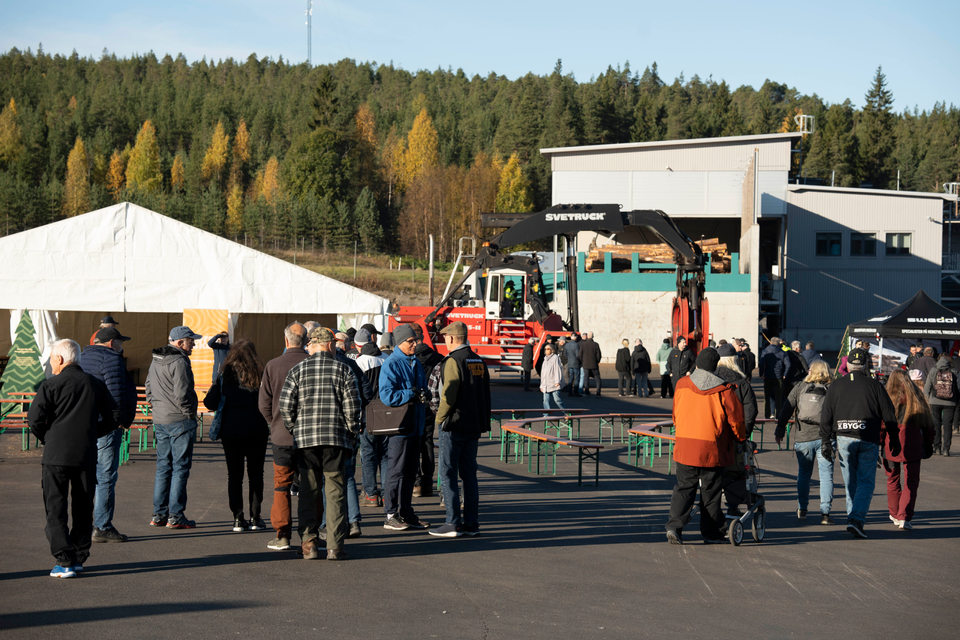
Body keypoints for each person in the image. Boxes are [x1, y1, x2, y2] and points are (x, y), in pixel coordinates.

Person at [30, 339, 120, 578]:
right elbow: (113, 416)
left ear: (59, 359)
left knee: (55, 508)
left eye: (51, 359)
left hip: (56, 455)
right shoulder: (95, 384)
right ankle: (79, 557)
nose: (51, 364)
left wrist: (48, 437)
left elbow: (34, 420)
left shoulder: (50, 384)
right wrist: (92, 432)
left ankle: (64, 559)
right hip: (86, 454)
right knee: (83, 507)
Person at [280, 327, 361, 561]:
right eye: (334, 344)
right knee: (335, 491)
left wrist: (296, 429)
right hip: (336, 441)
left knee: (308, 491)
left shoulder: (297, 370)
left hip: (306, 441)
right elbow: (353, 408)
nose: (336, 347)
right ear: (328, 345)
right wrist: (351, 434)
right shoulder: (343, 369)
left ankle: (309, 544)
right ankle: (335, 546)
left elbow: (286, 406)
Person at [665, 348, 746, 545]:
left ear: (697, 364)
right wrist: (740, 439)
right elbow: (736, 421)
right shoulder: (725, 389)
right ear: (715, 367)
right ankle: (711, 533)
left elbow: (675, 415)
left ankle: (674, 526)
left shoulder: (682, 384)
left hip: (685, 444)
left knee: (684, 488)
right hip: (712, 448)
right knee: (710, 492)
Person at [819, 348, 897, 538]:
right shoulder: (874, 385)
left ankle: (853, 518)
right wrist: (893, 438)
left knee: (850, 483)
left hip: (844, 438)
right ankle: (856, 519)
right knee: (866, 483)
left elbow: (826, 415)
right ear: (864, 366)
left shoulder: (836, 385)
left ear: (848, 365)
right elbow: (889, 415)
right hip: (868, 438)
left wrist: (825, 441)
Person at [429, 322, 491, 537]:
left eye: (445, 338)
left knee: (447, 473)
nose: (444, 341)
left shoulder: (453, 360)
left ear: (452, 338)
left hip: (454, 424)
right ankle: (472, 524)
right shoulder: (479, 361)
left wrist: (440, 418)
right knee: (469, 475)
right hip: (474, 424)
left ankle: (452, 523)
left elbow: (449, 393)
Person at [204, 339, 269, 533]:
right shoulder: (261, 373)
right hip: (257, 429)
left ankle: (238, 519)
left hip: (231, 429)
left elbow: (210, 403)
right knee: (256, 474)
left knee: (235, 475)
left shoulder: (226, 375)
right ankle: (256, 517)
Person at [79, 327, 137, 544]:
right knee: (105, 477)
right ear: (112, 342)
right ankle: (102, 525)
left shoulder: (82, 357)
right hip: (105, 425)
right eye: (121, 341)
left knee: (86, 476)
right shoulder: (112, 359)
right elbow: (117, 395)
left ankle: (84, 524)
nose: (122, 345)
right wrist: (120, 421)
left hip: (84, 425)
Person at [259, 322, 309, 551]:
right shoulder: (312, 364)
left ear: (286, 341)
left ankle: (282, 534)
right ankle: (310, 536)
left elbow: (264, 404)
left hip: (281, 436)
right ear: (306, 341)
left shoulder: (272, 365)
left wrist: (275, 422)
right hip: (311, 437)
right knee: (311, 485)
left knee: (281, 486)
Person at [146, 325, 202, 529]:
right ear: (180, 343)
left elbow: (149, 388)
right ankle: (175, 516)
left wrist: (158, 407)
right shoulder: (179, 361)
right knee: (179, 468)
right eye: (190, 340)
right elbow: (182, 394)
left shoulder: (156, 360)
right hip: (179, 420)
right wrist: (188, 413)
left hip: (161, 419)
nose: (194, 343)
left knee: (163, 467)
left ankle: (159, 514)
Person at [379, 323, 431, 531]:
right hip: (400, 427)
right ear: (400, 342)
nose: (415, 344)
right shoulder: (391, 364)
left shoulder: (415, 362)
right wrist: (411, 393)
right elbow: (387, 396)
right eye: (411, 341)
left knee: (410, 471)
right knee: (396, 471)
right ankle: (391, 514)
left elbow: (422, 388)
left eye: (416, 340)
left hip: (415, 426)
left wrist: (424, 394)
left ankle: (407, 512)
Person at [775, 361, 837, 525]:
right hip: (826, 438)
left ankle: (802, 508)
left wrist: (780, 429)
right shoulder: (832, 388)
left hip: (803, 438)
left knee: (804, 474)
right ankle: (825, 513)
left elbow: (787, 408)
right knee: (826, 477)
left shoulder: (801, 387)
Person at [884, 370, 936, 530]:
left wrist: (879, 443)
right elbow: (928, 425)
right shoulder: (917, 397)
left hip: (891, 444)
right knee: (911, 480)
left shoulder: (887, 397)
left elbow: (880, 424)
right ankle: (904, 516)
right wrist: (928, 444)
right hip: (912, 443)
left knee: (892, 479)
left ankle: (894, 513)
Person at [714, 344, 758, 515]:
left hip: (714, 434)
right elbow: (751, 410)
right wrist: (744, 433)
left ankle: (713, 507)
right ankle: (733, 506)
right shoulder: (741, 383)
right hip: (735, 435)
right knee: (737, 470)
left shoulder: (711, 380)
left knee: (715, 472)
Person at [356, 333, 389, 509]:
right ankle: (385, 494)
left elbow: (357, 391)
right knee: (385, 455)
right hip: (387, 413)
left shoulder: (360, 362)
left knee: (368, 455)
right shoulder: (386, 358)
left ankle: (370, 495)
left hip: (367, 414)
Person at [413, 324, 443, 497]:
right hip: (431, 406)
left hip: (414, 405)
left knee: (414, 443)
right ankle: (428, 482)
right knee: (428, 442)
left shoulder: (409, 358)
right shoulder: (438, 358)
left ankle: (416, 483)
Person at [923, 353, 957, 456]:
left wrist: (928, 400)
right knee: (947, 426)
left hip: (935, 401)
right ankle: (946, 449)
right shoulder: (954, 371)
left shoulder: (933, 370)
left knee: (936, 425)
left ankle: (937, 447)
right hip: (950, 402)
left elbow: (927, 388)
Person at [759, 337, 787, 419]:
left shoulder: (765, 351)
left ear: (771, 343)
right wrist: (784, 374)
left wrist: (761, 373)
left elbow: (762, 363)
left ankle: (768, 414)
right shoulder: (782, 352)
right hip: (779, 377)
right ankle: (778, 414)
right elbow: (788, 364)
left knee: (767, 396)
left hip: (768, 376)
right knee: (779, 396)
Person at [540, 343, 565, 412]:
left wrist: (558, 381)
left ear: (552, 350)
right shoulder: (545, 359)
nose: (546, 350)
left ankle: (566, 412)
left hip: (554, 383)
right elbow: (543, 373)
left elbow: (558, 369)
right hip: (546, 384)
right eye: (545, 349)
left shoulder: (555, 357)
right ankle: (546, 416)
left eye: (548, 349)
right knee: (545, 401)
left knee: (557, 400)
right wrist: (541, 385)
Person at [580, 331, 602, 396]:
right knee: (597, 378)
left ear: (587, 336)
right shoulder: (596, 344)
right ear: (593, 336)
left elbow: (580, 354)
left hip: (585, 364)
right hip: (594, 364)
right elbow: (599, 355)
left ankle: (587, 392)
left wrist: (583, 362)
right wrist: (596, 361)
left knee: (586, 378)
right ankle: (598, 392)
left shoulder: (583, 344)